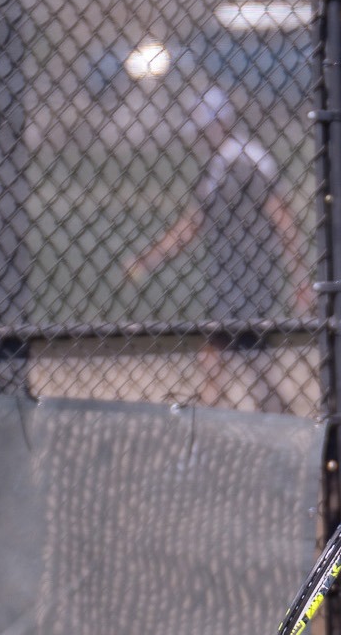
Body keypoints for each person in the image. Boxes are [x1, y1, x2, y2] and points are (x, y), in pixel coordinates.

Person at [124, 87, 313, 412]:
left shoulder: (245, 160)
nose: (200, 137)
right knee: (228, 361)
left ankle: (233, 425)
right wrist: (150, 257)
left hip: (252, 277)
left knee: (239, 363)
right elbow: (194, 223)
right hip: (228, 276)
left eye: (204, 128)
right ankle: (224, 424)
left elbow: (280, 215)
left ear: (221, 123)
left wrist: (299, 276)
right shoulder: (218, 165)